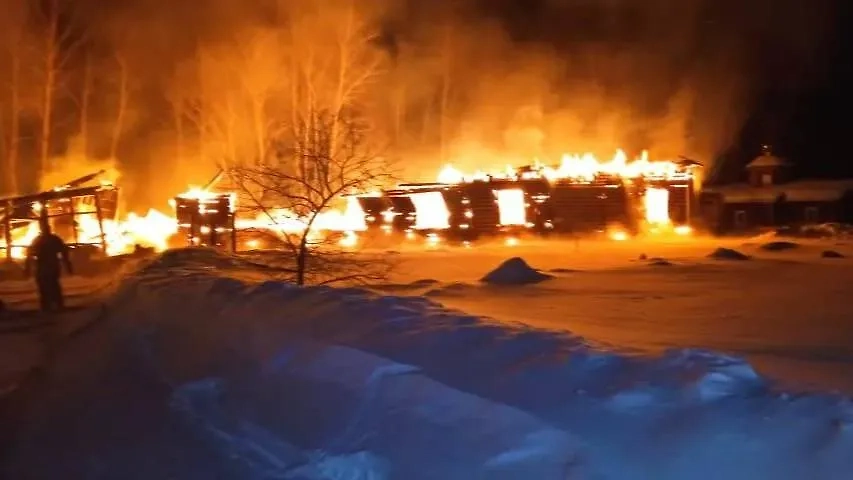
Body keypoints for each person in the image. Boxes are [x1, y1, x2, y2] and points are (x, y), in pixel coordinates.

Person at [24, 219, 73, 312]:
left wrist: (27, 267)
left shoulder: (41, 240)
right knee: (48, 285)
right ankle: (52, 305)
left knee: (48, 285)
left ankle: (51, 305)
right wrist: (67, 265)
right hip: (48, 266)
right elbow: (64, 252)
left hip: (46, 266)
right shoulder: (52, 239)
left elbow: (30, 254)